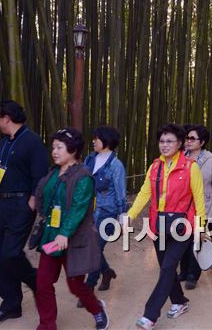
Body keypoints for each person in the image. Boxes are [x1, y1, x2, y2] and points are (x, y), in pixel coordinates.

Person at [123, 124, 206, 330]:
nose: (165, 145)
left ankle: (150, 315)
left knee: (168, 268)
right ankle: (179, 302)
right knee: (166, 269)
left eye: (170, 141)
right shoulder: (155, 166)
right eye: (162, 141)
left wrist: (200, 227)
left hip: (182, 227)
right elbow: (144, 193)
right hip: (158, 225)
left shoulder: (190, 167)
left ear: (179, 144)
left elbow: (199, 199)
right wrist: (130, 215)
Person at [34, 127, 109, 330]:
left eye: (59, 147)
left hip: (73, 239)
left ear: (73, 150)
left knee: (76, 285)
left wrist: (64, 233)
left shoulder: (83, 176)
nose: (54, 152)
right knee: (42, 283)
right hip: (51, 236)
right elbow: (44, 197)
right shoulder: (53, 173)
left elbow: (77, 209)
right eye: (53, 147)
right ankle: (47, 325)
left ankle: (97, 309)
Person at [0, 100, 48, 325]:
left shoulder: (32, 142)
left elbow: (40, 175)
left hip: (22, 204)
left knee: (11, 253)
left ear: (7, 118)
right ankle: (11, 304)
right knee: (0, 255)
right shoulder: (4, 144)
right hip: (3, 205)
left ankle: (38, 283)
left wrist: (32, 201)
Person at [180, 124, 212, 290]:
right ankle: (184, 270)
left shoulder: (210, 159)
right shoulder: (181, 156)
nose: (188, 141)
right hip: (183, 205)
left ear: (202, 142)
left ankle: (193, 274)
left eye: (192, 138)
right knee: (183, 239)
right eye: (187, 138)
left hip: (203, 204)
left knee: (196, 238)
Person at [81, 126, 126, 298]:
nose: (93, 141)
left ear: (106, 141)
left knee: (94, 249)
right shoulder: (90, 159)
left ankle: (89, 287)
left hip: (108, 213)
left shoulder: (116, 165)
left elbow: (121, 193)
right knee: (92, 248)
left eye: (97, 138)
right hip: (89, 212)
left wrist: (122, 219)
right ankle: (106, 272)